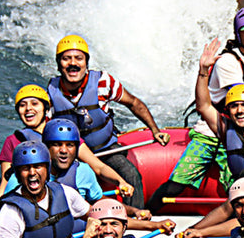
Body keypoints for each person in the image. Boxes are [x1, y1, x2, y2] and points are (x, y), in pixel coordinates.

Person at [146, 7, 244, 209]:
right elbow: (242, 98)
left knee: (241, 187)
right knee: (176, 185)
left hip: (242, 133)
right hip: (213, 129)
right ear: (238, 35)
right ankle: (145, 214)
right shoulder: (227, 61)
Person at [46, 34, 169, 208]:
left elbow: (133, 103)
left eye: (78, 58)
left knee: (130, 174)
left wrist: (155, 130)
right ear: (59, 64)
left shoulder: (103, 82)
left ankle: (136, 219)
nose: (73, 63)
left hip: (106, 149)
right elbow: (43, 130)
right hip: (71, 154)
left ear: (86, 63)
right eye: (66, 59)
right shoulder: (51, 91)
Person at [0, 84, 133, 201]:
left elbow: (98, 167)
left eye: (34, 103)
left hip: (70, 194)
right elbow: (5, 182)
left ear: (46, 108)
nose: (28, 109)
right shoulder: (13, 141)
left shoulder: (65, 133)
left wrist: (120, 181)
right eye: (22, 105)